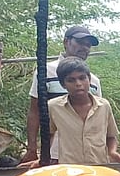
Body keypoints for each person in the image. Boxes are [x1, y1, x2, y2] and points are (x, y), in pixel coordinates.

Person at [24, 26, 103, 165]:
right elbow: (34, 111)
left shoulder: (94, 81)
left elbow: (98, 119)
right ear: (66, 42)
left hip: (88, 155)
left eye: (88, 45)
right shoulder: (46, 72)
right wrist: (32, 148)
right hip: (53, 153)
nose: (84, 48)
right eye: (80, 42)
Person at [48, 58, 120, 165]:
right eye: (71, 80)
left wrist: (112, 152)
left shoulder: (103, 106)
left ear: (89, 79)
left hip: (99, 166)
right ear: (63, 84)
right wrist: (43, 158)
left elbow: (111, 136)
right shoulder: (54, 107)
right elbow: (48, 135)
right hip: (69, 168)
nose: (78, 84)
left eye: (82, 78)